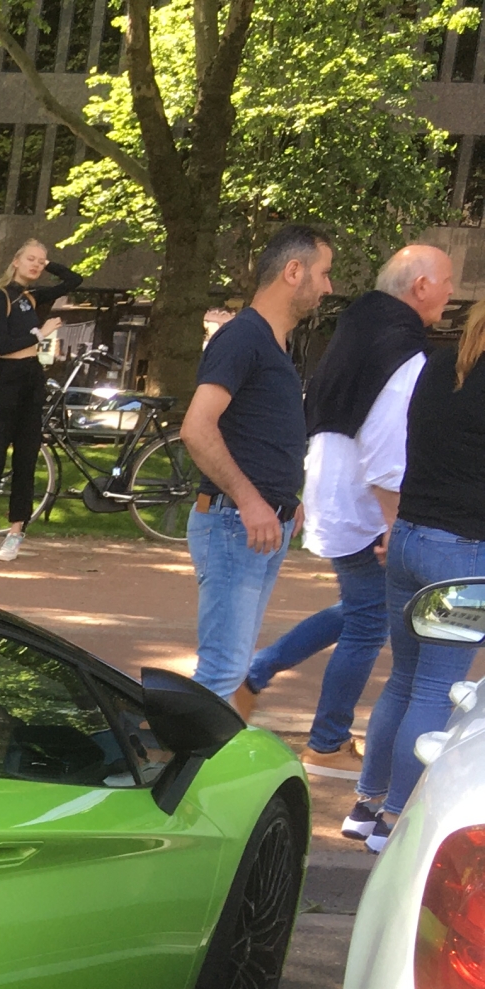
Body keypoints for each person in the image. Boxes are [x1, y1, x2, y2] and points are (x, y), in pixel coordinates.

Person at [234, 245, 451, 775]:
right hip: (365, 504)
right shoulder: (404, 351)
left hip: (335, 488)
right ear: (420, 286)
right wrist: (396, 524)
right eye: (447, 280)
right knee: (367, 625)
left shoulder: (361, 330)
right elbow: (386, 447)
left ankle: (253, 677)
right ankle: (326, 742)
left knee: (358, 610)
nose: (451, 291)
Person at [343, 295, 485, 854]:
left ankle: (367, 802)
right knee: (434, 687)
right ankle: (397, 820)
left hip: (410, 537)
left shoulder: (438, 365)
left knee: (403, 679)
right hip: (463, 553)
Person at [180, 224, 334, 700]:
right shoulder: (243, 337)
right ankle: (177, 770)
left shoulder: (272, 343)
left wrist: (286, 500)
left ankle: (193, 766)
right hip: (236, 524)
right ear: (294, 271)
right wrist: (250, 501)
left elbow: (256, 433)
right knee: (223, 670)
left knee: (230, 666)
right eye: (324, 273)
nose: (328, 286)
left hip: (260, 523)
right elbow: (196, 428)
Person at [0, 240, 84, 560]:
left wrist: (47, 261)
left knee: (26, 458)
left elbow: (73, 281)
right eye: (30, 259)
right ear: (15, 261)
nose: (36, 266)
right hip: (5, 380)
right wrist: (42, 333)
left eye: (40, 262)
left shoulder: (32, 296)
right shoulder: (1, 298)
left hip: (31, 379)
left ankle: (16, 530)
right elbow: (5, 342)